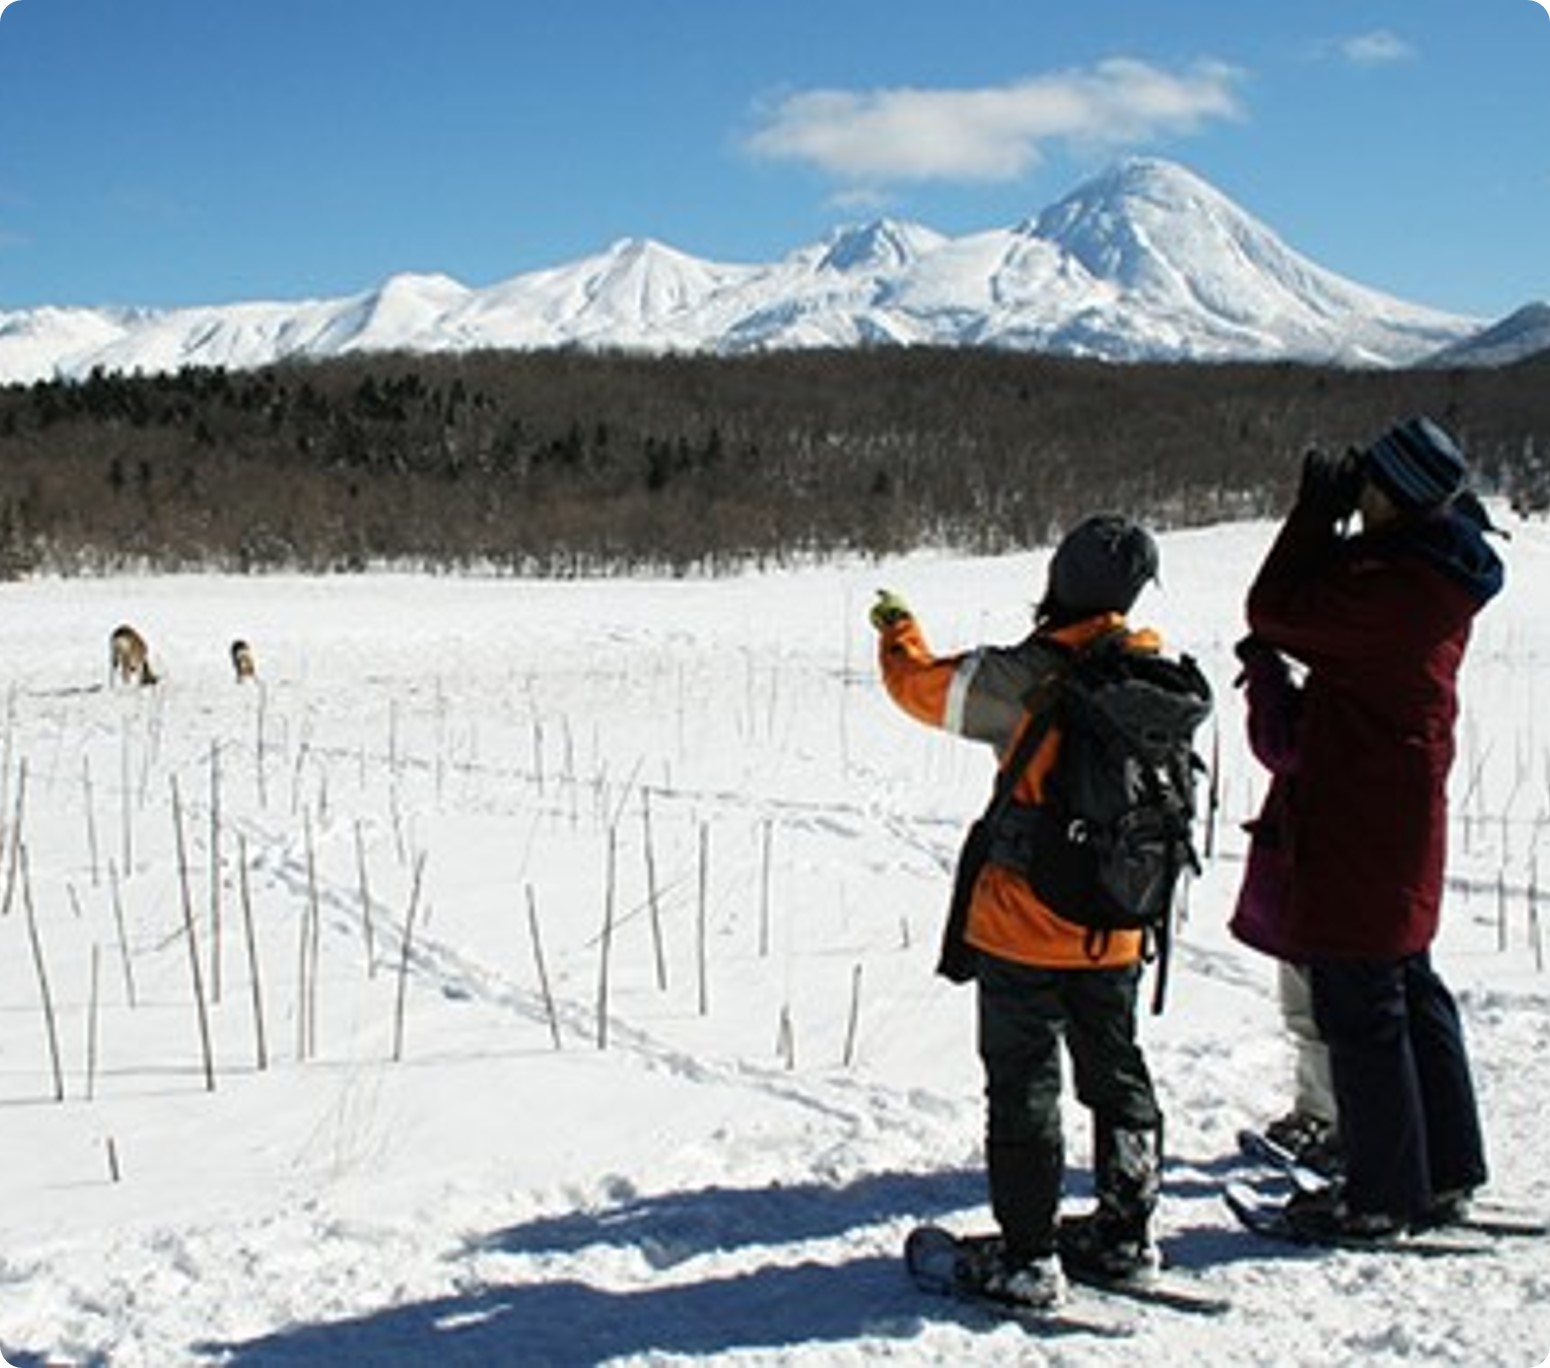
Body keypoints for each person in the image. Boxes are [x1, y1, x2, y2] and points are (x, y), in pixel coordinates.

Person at [872, 514, 1167, 1309]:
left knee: (1024, 1086)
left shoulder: (1027, 675)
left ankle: (1031, 1257)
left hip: (1025, 925)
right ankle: (1127, 1234)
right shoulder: (1157, 678)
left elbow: (917, 687)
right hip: (1118, 924)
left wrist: (897, 627)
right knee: (1117, 1073)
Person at [1242, 415, 1504, 1239]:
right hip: (1398, 811)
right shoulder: (1430, 568)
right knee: (1409, 986)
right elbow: (1327, 590)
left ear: (1394, 496)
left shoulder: (1397, 591)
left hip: (1361, 814)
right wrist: (1336, 520)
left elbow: (1274, 609)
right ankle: (1446, 1169)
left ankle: (1382, 1194)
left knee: (1360, 1004)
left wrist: (1312, 516)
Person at [1229, 635, 1342, 1175]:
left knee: (1319, 1009)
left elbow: (1281, 745)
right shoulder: (1384, 671)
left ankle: (1331, 1121)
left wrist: (1266, 678)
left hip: (1317, 873)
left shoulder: (1348, 682)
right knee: (1315, 1007)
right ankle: (1322, 1113)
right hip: (1319, 870)